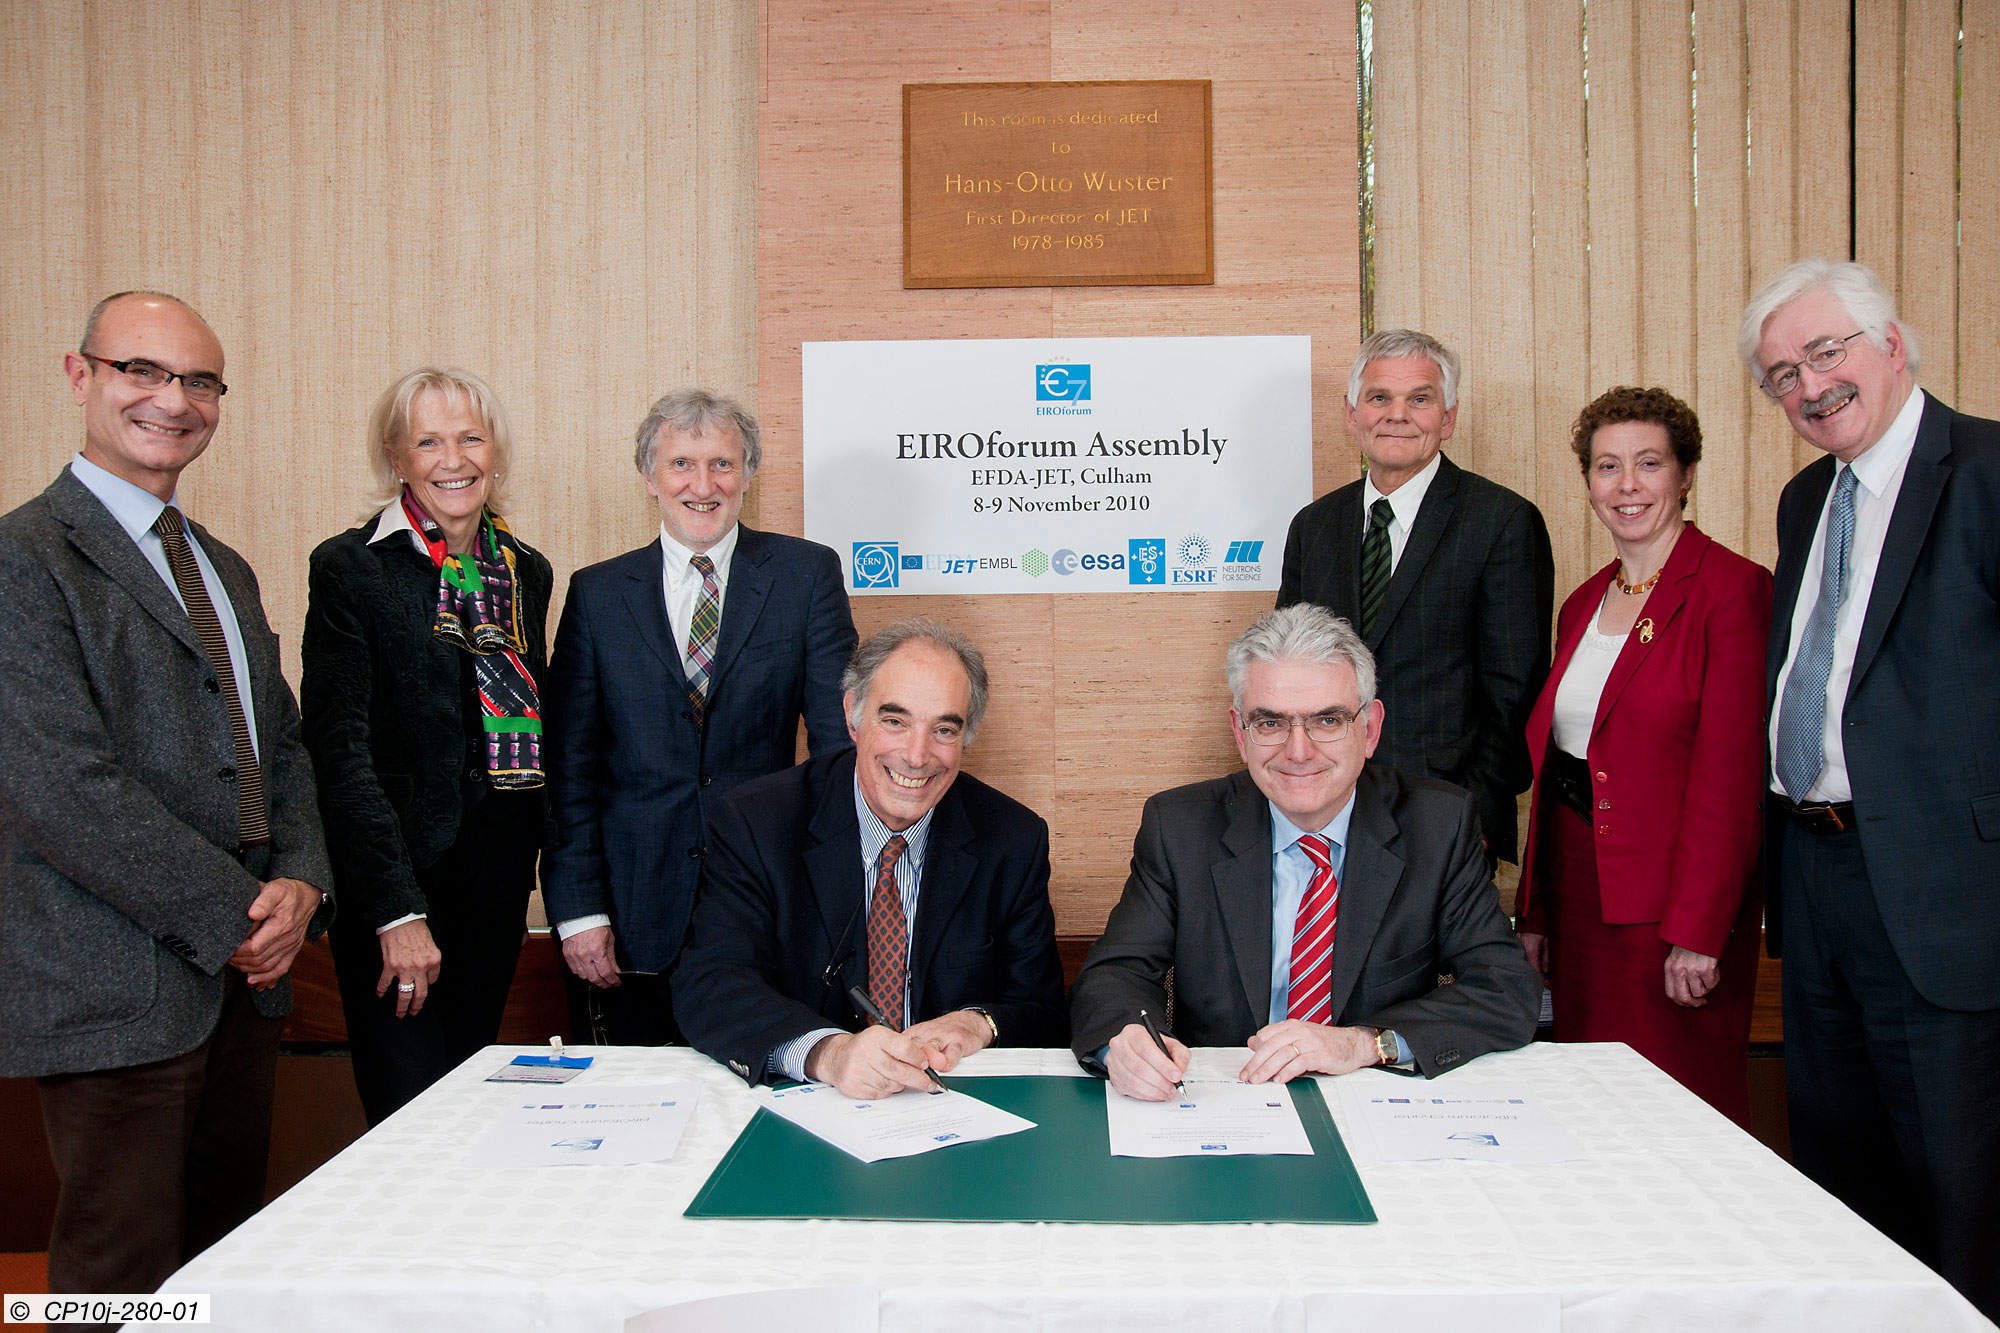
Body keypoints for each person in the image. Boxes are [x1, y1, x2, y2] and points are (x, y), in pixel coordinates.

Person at [0, 292, 333, 1303]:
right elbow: (60, 786)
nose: (171, 400)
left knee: (218, 1271)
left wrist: (304, 881)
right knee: (119, 1275)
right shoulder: (23, 561)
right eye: (141, 370)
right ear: (80, 374)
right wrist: (236, 916)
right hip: (119, 988)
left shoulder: (220, 567)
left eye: (197, 381)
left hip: (246, 983)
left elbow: (281, 744)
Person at [1744, 258, 2000, 1320]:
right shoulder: (1806, 499)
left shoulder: (1983, 470)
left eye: (1823, 352)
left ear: (1889, 342)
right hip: (1816, 877)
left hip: (1946, 893)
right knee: (1840, 1172)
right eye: (1778, 376)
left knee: (1959, 1184)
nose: (1806, 386)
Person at [1070, 603, 1540, 1100]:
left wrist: (1362, 1044)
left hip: (1375, 1096)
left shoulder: (1437, 826)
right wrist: (1125, 1043)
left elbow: (1505, 989)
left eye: (1328, 720)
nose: (1299, 751)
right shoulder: (1181, 826)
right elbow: (1113, 975)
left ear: (1371, 728)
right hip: (1226, 1101)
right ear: (1240, 733)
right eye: (1270, 723)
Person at [543, 390, 856, 1046]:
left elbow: (838, 753)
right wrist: (576, 910)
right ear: (649, 478)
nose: (703, 484)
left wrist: (828, 898)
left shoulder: (806, 577)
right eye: (682, 463)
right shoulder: (597, 594)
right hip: (631, 917)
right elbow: (568, 770)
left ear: (747, 475)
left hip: (764, 901)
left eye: (722, 463)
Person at [1512, 387, 1771, 1127]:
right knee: (1589, 1109)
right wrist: (1534, 913)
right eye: (1606, 466)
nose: (1626, 486)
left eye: (1648, 463)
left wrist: (1699, 929)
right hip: (1578, 902)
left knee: (1673, 1112)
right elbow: (1563, 762)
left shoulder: (1731, 590)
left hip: (1669, 916)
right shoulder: (1583, 601)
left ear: (1685, 474)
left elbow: (1731, 778)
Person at [300, 368, 552, 1125]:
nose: (454, 457)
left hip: (497, 885)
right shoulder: (351, 569)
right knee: (407, 1112)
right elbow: (337, 750)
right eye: (430, 441)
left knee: (471, 1097)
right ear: (397, 457)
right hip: (400, 894)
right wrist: (394, 909)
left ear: (496, 450)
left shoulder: (525, 571)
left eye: (470, 437)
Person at [673, 619, 1067, 1097]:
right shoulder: (758, 822)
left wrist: (979, 1024)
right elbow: (711, 984)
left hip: (952, 1106)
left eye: (944, 729)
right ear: (852, 716)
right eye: (895, 721)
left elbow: (1042, 1009)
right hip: (805, 1105)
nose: (917, 755)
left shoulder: (1012, 838)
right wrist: (828, 1053)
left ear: (966, 738)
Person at [1277, 329, 1554, 863]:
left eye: (1419, 399)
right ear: (1352, 413)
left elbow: (1514, 689)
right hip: (1321, 804)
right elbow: (1287, 671)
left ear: (1447, 418)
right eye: (1379, 397)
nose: (1396, 415)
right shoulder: (1313, 527)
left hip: (1445, 812)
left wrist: (1476, 814)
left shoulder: (1502, 523)